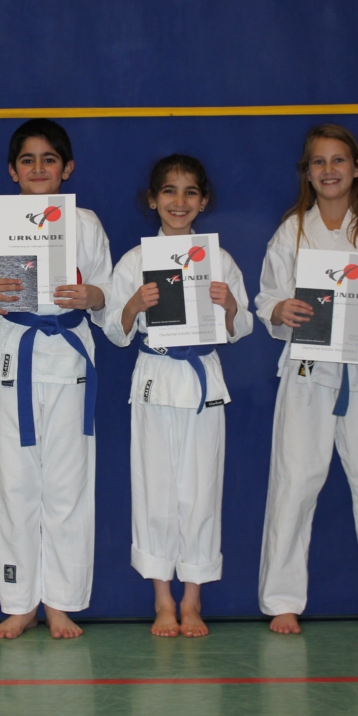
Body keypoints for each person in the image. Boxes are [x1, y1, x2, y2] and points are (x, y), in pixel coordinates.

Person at [255, 124, 358, 636]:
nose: (329, 170)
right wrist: (281, 309)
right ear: (306, 173)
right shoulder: (292, 231)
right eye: (318, 162)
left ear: (357, 169)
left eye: (338, 160)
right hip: (307, 372)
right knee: (295, 482)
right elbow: (267, 297)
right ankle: (282, 599)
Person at [0, 119, 112, 640]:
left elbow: (108, 292)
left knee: (68, 486)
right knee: (15, 484)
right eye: (26, 160)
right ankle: (20, 601)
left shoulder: (86, 224)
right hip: (14, 359)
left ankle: (61, 602)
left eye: (49, 159)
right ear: (12, 171)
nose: (37, 168)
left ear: (66, 168)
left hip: (69, 361)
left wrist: (93, 296)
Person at [103, 154, 253, 638]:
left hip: (203, 376)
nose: (179, 201)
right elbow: (115, 331)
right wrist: (132, 305)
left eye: (190, 192)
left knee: (201, 488)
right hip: (155, 374)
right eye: (169, 190)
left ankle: (192, 598)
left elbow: (242, 327)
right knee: (155, 490)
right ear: (153, 200)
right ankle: (162, 599)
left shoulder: (219, 260)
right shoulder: (135, 260)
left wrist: (229, 305)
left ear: (203, 201)